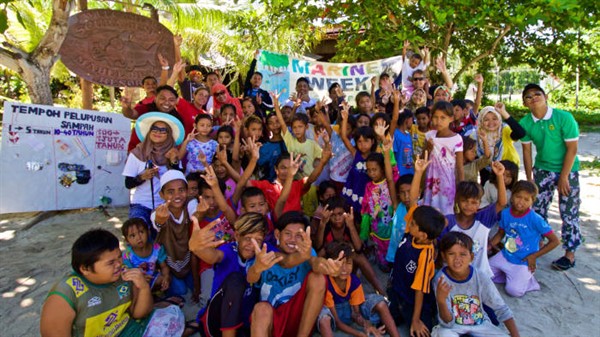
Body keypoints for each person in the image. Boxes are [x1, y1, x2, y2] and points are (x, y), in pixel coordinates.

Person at [40, 229, 184, 337]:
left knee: (172, 318)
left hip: (129, 330)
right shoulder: (66, 293)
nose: (119, 265)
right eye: (110, 263)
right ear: (85, 269)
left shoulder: (124, 275)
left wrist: (143, 287)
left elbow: (138, 314)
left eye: (119, 258)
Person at [248, 211, 344, 337]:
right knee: (261, 308)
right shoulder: (266, 254)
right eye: (288, 234)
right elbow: (251, 277)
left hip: (298, 321)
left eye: (298, 235)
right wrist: (257, 268)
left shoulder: (308, 253)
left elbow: (316, 263)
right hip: (271, 321)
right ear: (277, 234)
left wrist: (330, 268)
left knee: (318, 278)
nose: (292, 239)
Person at [519, 83, 582, 271]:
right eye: (528, 96)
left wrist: (564, 177)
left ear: (546, 97)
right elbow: (527, 152)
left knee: (569, 210)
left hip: (567, 169)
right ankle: (536, 245)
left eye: (537, 94)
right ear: (524, 103)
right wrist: (529, 178)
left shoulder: (564, 118)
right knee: (537, 209)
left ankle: (569, 253)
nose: (533, 98)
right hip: (542, 169)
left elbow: (572, 149)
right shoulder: (525, 123)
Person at [388, 150, 446, 337]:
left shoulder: (425, 254)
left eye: (412, 223)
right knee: (385, 321)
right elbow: (413, 199)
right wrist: (419, 172)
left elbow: (420, 289)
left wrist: (415, 319)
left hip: (414, 299)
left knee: (420, 329)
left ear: (422, 233)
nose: (408, 223)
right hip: (398, 290)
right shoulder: (412, 232)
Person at [188, 212, 273, 337]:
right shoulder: (229, 250)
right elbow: (213, 256)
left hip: (244, 324)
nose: (251, 244)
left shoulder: (263, 252)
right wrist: (195, 247)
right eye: (248, 238)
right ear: (237, 236)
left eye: (258, 240)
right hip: (217, 323)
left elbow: (284, 259)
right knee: (236, 280)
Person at [432, 232, 521, 337]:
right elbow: (447, 323)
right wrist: (441, 301)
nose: (457, 259)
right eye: (451, 254)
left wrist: (516, 335)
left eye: (463, 254)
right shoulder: (441, 279)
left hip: (481, 326)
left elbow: (501, 308)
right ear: (444, 256)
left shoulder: (480, 276)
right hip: (453, 328)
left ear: (471, 256)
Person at [489, 180, 560, 297]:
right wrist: (489, 245)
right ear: (512, 196)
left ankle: (530, 282)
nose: (521, 202)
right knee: (484, 274)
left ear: (532, 201)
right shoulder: (505, 213)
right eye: (518, 197)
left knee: (514, 291)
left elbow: (555, 241)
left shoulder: (535, 219)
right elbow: (500, 233)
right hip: (506, 255)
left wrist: (534, 256)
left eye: (526, 199)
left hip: (524, 260)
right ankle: (511, 275)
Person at [317, 241, 400, 337]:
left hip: (348, 312)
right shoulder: (326, 283)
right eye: (340, 263)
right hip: (333, 316)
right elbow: (338, 322)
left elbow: (356, 314)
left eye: (348, 263)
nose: (344, 269)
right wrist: (359, 334)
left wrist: (367, 325)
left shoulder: (354, 281)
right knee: (324, 318)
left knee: (380, 303)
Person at [443, 162, 507, 281]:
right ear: (457, 200)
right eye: (465, 201)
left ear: (479, 203)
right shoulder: (449, 221)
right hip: (453, 274)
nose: (469, 206)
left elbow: (502, 203)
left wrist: (500, 176)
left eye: (474, 202)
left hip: (480, 274)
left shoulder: (483, 218)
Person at [122, 113, 184, 232]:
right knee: (138, 231)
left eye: (163, 130)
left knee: (162, 237)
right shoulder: (137, 153)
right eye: (154, 129)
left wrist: (173, 163)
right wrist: (142, 177)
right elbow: (128, 184)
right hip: (141, 204)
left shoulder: (172, 153)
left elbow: (179, 180)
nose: (158, 132)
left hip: (167, 204)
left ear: (169, 134)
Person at [315, 196, 385, 295]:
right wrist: (322, 224)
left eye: (340, 214)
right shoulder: (326, 226)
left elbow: (359, 249)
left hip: (347, 255)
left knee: (360, 258)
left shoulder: (349, 224)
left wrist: (351, 226)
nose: (337, 218)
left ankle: (380, 291)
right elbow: (318, 247)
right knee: (319, 254)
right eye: (333, 215)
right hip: (330, 257)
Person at [151, 170, 199, 298]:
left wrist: (200, 213)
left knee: (194, 286)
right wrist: (160, 221)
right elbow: (157, 222)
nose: (177, 195)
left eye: (181, 190)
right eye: (170, 192)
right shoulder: (159, 212)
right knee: (181, 291)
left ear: (187, 190)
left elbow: (195, 214)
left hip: (189, 262)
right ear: (162, 194)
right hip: (170, 266)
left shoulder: (190, 203)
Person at [121, 85, 194, 152]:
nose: (167, 102)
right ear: (155, 98)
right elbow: (131, 114)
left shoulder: (177, 119)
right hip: (137, 153)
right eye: (162, 98)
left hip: (162, 159)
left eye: (171, 100)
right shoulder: (146, 108)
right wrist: (126, 107)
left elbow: (177, 143)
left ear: (175, 102)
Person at [423, 101, 464, 215]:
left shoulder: (457, 139)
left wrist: (461, 189)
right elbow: (422, 160)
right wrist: (428, 148)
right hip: (430, 183)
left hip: (447, 184)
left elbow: (459, 167)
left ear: (451, 118)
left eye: (443, 117)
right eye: (435, 117)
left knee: (445, 214)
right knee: (429, 213)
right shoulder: (429, 136)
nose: (438, 121)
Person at [360, 149, 397, 271]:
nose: (371, 173)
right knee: (379, 247)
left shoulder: (389, 182)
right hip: (375, 225)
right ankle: (383, 263)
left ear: (382, 168)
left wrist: (387, 150)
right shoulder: (368, 186)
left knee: (391, 245)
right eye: (369, 170)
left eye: (374, 169)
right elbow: (366, 204)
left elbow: (393, 168)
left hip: (390, 224)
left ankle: (392, 263)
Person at [272, 91, 323, 178]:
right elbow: (282, 123)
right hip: (295, 183)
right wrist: (276, 105)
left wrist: (317, 161)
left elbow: (321, 157)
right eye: (294, 127)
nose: (297, 130)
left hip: (311, 183)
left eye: (300, 126)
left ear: (306, 127)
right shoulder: (290, 141)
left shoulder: (313, 144)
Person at [476, 102, 525, 185]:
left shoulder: (504, 129)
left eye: (494, 118)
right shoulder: (477, 134)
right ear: (481, 121)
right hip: (487, 169)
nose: (491, 122)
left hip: (508, 169)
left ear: (499, 118)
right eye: (486, 119)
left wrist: (503, 113)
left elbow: (520, 133)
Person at [121, 218, 170, 292]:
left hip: (152, 278)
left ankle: (153, 294)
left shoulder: (157, 249)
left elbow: (164, 267)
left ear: (148, 232)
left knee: (162, 280)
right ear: (127, 240)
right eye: (133, 236)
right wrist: (141, 278)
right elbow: (128, 273)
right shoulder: (127, 254)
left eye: (141, 232)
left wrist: (166, 277)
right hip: (136, 281)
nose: (138, 238)